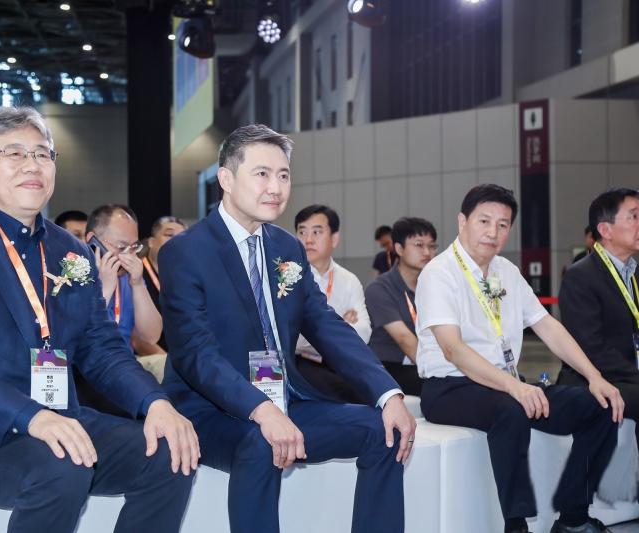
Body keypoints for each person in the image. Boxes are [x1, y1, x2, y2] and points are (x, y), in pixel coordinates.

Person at [0, 106, 198, 533]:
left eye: (42, 153)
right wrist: (31, 415)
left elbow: (102, 348)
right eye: (14, 153)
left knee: (169, 450)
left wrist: (154, 402)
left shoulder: (70, 249)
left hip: (57, 418)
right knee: (62, 464)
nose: (32, 164)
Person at [158, 124, 416, 533]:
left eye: (283, 175)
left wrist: (388, 394)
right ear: (226, 179)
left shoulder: (286, 246)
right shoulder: (185, 251)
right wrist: (261, 411)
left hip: (284, 397)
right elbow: (195, 355)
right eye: (262, 174)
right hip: (208, 410)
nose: (276, 188)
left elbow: (325, 323)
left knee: (384, 430)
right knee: (261, 442)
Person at [416, 183, 623, 533]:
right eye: (484, 221)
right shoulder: (439, 273)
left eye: (503, 224)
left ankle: (573, 518)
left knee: (599, 405)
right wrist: (514, 387)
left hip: (504, 384)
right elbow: (453, 349)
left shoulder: (507, 271)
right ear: (463, 221)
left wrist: (595, 376)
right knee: (511, 408)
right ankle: (516, 525)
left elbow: (548, 327)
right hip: (450, 388)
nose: (493, 232)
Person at [558, 188, 639, 531]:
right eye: (633, 217)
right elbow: (591, 346)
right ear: (605, 229)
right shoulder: (580, 276)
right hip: (595, 379)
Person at [75, 204, 164, 415]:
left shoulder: (128, 277)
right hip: (82, 369)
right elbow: (75, 335)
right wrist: (105, 288)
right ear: (93, 241)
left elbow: (151, 336)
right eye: (121, 247)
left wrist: (137, 284)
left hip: (121, 367)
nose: (129, 255)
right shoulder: (75, 272)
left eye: (134, 247)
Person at [293, 204, 370, 405]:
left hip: (341, 362)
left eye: (317, 232)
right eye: (302, 232)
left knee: (375, 388)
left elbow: (364, 333)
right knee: (351, 395)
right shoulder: (288, 277)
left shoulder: (348, 280)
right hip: (300, 363)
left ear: (334, 239)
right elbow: (293, 339)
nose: (308, 240)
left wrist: (318, 330)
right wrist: (340, 324)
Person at [365, 217, 436, 396]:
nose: (427, 252)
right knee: (443, 386)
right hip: (389, 367)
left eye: (432, 246)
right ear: (399, 249)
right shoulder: (379, 288)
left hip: (428, 360)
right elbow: (404, 339)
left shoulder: (435, 285)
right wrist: (442, 370)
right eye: (419, 245)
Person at [137, 216, 188, 355]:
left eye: (182, 237)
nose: (176, 241)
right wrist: (168, 362)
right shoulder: (135, 273)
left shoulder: (187, 278)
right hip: (153, 356)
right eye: (169, 235)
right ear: (151, 242)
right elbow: (135, 338)